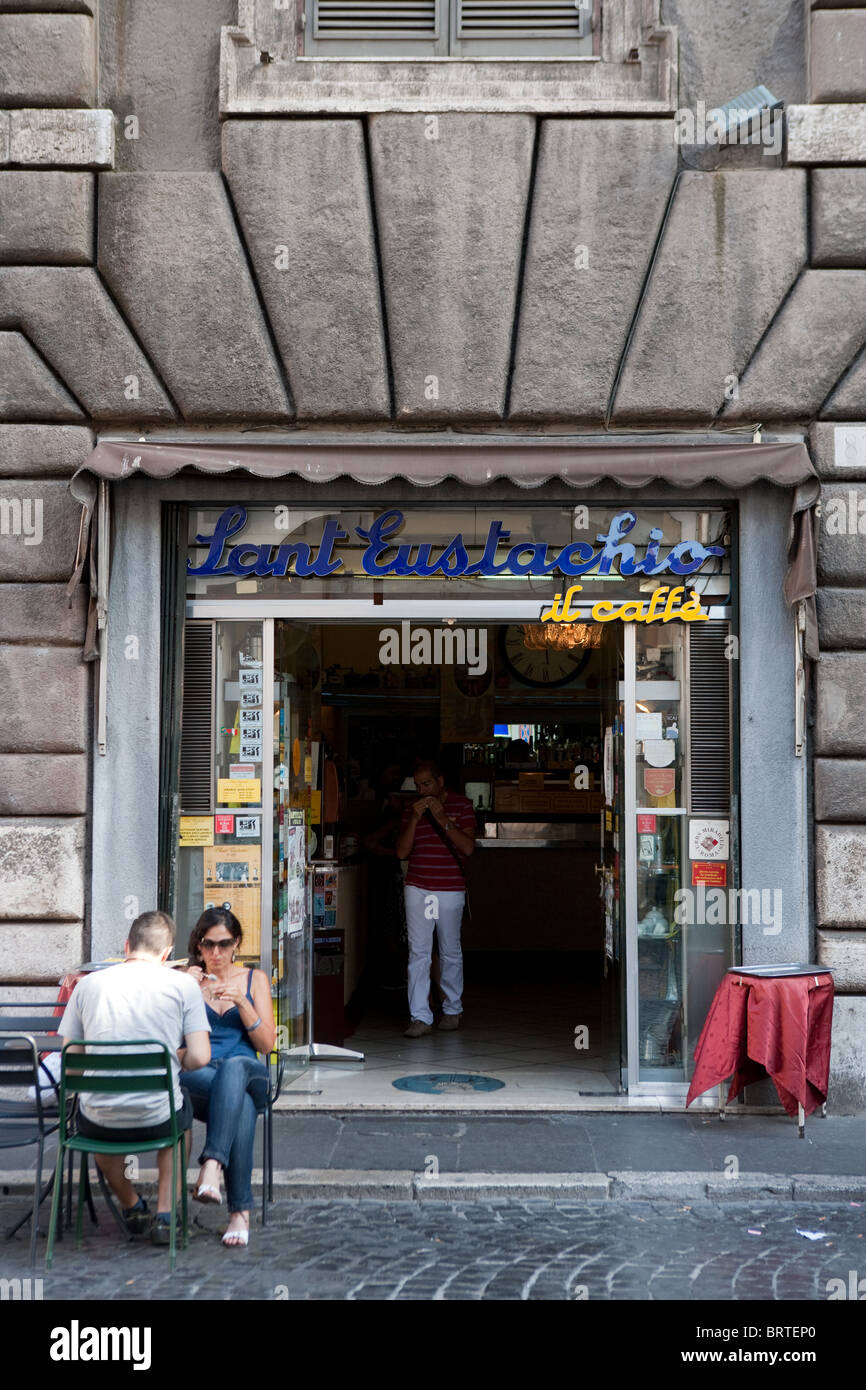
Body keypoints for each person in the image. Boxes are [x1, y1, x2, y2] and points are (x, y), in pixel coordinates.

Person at [57, 910, 210, 1246]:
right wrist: (175, 1057)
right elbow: (200, 1057)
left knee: (96, 1127)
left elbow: (70, 1064)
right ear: (168, 954)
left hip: (98, 1122)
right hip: (158, 1117)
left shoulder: (87, 986)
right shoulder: (184, 984)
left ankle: (133, 1206)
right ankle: (166, 1215)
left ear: (127, 945)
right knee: (180, 1128)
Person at [182, 907, 276, 1248]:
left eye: (223, 944)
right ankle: (240, 1212)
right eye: (207, 945)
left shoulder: (254, 980)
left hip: (249, 1072)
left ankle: (212, 1163)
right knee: (242, 1106)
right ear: (199, 945)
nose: (215, 953)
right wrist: (185, 994)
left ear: (236, 943)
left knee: (235, 1068)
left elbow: (266, 1045)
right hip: (204, 1077)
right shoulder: (187, 981)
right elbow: (173, 1046)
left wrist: (243, 1003)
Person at [395, 758, 477, 1037]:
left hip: (450, 887)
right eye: (418, 785)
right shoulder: (412, 810)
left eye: (426, 783)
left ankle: (453, 1010)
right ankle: (420, 1017)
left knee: (449, 950)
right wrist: (416, 817)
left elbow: (468, 848)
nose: (421, 790)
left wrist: (442, 818)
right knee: (419, 952)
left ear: (440, 782)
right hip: (418, 886)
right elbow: (401, 853)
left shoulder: (462, 805)